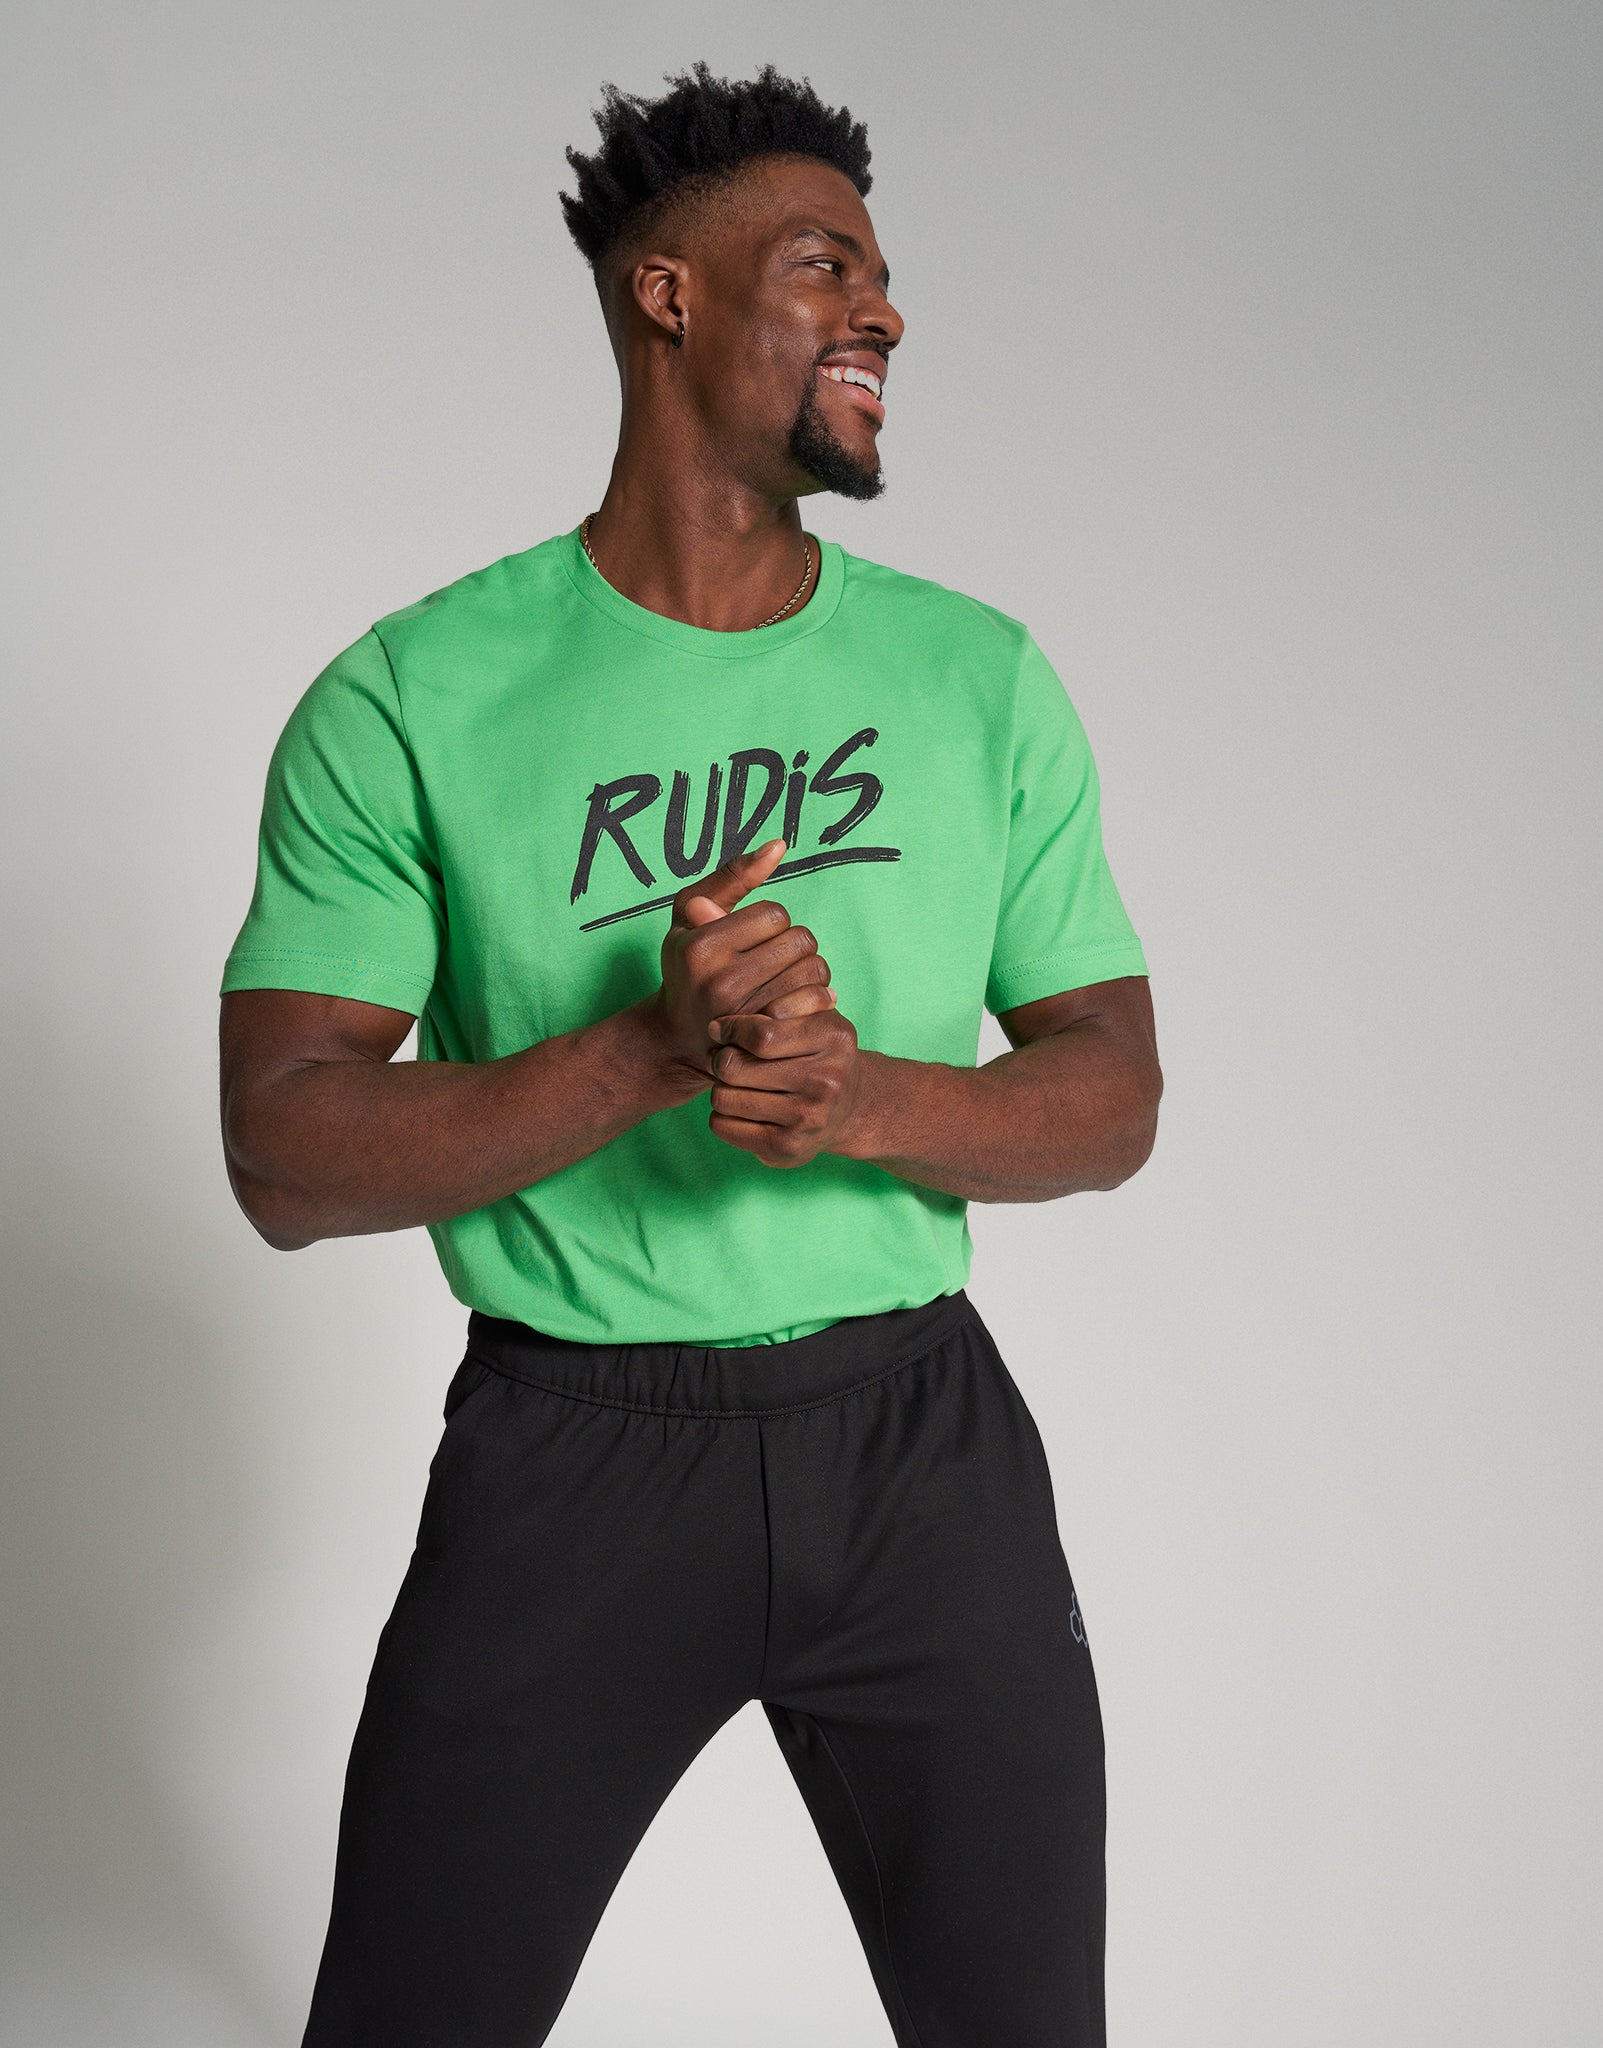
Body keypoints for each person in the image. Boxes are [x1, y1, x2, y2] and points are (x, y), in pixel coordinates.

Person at [219, 59, 1162, 2048]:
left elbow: (1114, 1090)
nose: (887, 315)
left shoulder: (976, 677)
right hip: (574, 1462)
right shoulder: (413, 696)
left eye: (890, 282)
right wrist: (648, 1048)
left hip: (923, 1458)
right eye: (831, 269)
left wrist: (870, 1099)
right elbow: (286, 1150)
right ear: (668, 293)